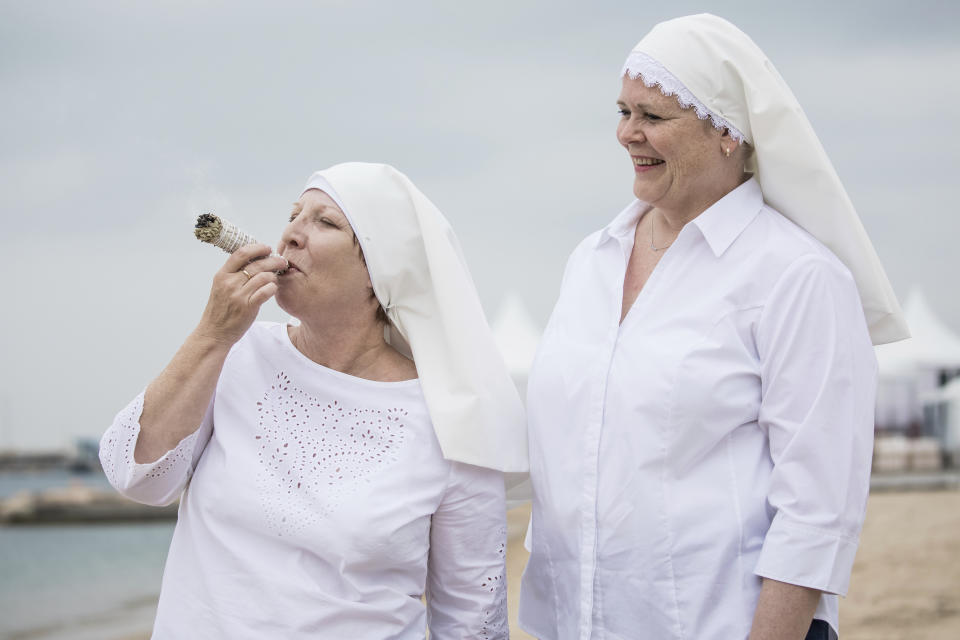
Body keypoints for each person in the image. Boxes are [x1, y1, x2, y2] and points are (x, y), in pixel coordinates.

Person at [518, 14, 908, 640]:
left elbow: (817, 510)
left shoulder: (798, 277)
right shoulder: (589, 261)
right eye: (622, 110)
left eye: (652, 116)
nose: (626, 133)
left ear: (727, 132)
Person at [100, 162, 527, 639]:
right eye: (293, 215)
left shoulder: (452, 419)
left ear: (379, 270)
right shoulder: (237, 355)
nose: (290, 236)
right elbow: (135, 475)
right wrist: (212, 333)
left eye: (324, 222)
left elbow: (472, 621)